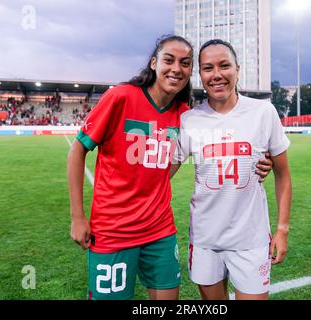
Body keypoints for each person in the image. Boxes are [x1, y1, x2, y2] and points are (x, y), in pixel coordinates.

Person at [67, 35, 273, 300]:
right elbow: (77, 151)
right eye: (169, 60)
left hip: (159, 231)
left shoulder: (184, 115)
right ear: (154, 63)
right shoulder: (121, 97)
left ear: (190, 72)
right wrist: (77, 217)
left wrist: (259, 160)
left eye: (185, 63)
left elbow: (217, 143)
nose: (177, 68)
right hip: (113, 231)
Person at [171, 39, 292, 300]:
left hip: (251, 239)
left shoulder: (263, 112)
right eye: (208, 68)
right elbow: (162, 173)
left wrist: (281, 230)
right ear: (200, 75)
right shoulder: (189, 119)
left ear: (237, 68)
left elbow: (283, 174)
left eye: (224, 66)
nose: (217, 75)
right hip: (205, 240)